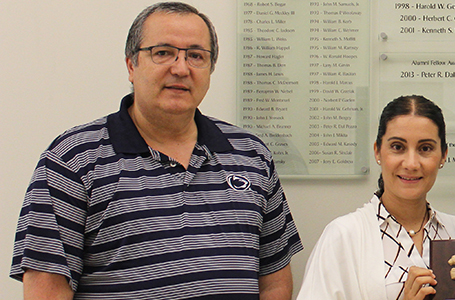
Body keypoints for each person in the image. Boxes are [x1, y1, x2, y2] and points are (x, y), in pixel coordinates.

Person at [8, 2, 303, 299]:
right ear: (131, 65)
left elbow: (274, 281)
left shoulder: (252, 155)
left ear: (210, 69)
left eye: (196, 56)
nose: (181, 68)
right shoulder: (73, 158)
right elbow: (47, 289)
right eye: (163, 53)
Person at [297, 95, 455, 300]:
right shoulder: (343, 236)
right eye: (398, 147)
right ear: (378, 151)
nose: (411, 163)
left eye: (425, 148)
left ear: (443, 155)